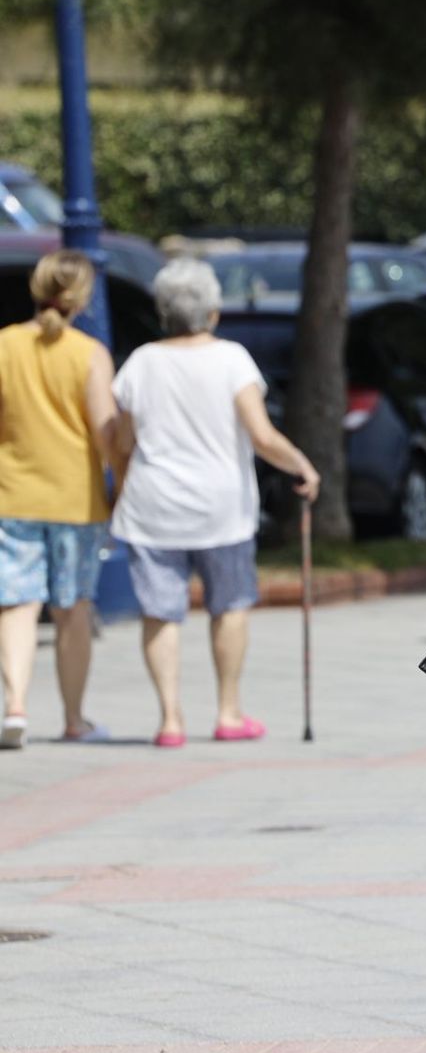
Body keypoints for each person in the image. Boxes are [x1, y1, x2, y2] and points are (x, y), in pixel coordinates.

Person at [110, 258, 319, 747]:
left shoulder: (140, 362)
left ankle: (170, 720)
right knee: (229, 606)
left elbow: (122, 440)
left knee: (160, 613)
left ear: (164, 312)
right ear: (212, 312)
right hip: (220, 507)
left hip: (153, 504)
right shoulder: (231, 359)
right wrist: (301, 467)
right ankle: (228, 712)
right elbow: (261, 435)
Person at [0, 250, 121, 749]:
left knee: (16, 604)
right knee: (73, 609)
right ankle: (73, 719)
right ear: (81, 299)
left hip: (11, 494)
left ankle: (15, 706)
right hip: (75, 499)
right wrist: (122, 482)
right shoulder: (89, 354)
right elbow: (106, 435)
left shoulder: (5, 344)